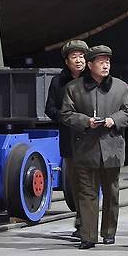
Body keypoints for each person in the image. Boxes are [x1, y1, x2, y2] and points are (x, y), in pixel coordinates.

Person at [60, 45, 128, 249]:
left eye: (108, 62)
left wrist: (114, 120)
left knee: (111, 192)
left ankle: (109, 232)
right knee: (87, 193)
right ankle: (88, 236)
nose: (105, 65)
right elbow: (65, 114)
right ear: (90, 64)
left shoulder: (120, 87)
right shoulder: (74, 88)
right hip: (85, 148)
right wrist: (86, 121)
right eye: (101, 62)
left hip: (112, 149)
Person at [45, 39, 88, 238]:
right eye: (74, 56)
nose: (78, 60)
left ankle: (89, 224)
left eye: (82, 56)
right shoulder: (58, 81)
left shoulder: (93, 79)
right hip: (69, 139)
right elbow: (50, 108)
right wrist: (66, 118)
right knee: (76, 183)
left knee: (89, 183)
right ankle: (81, 223)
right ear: (66, 61)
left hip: (90, 138)